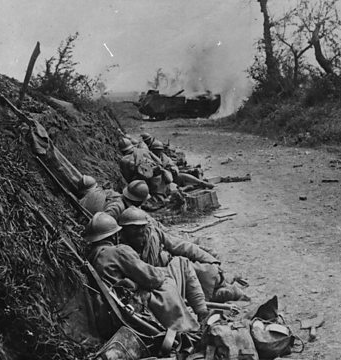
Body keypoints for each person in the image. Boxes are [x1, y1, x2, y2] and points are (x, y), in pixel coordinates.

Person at [85, 212, 208, 332]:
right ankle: (189, 325)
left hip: (111, 311)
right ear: (114, 236)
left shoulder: (91, 256)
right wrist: (162, 274)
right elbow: (152, 278)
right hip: (131, 308)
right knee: (169, 282)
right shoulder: (117, 252)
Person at [117, 207, 247, 303]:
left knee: (209, 271)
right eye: (134, 228)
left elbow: (179, 245)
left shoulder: (153, 234)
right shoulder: (122, 251)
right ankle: (228, 289)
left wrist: (210, 259)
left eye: (142, 227)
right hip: (161, 278)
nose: (140, 231)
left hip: (173, 267)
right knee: (203, 290)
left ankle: (227, 281)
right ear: (124, 230)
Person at [149, 140, 213, 190]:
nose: (158, 152)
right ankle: (187, 187)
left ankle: (202, 183)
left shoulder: (164, 157)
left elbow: (172, 164)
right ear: (152, 150)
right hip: (160, 181)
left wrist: (173, 169)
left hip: (170, 175)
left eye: (160, 150)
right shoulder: (149, 157)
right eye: (156, 150)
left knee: (183, 176)